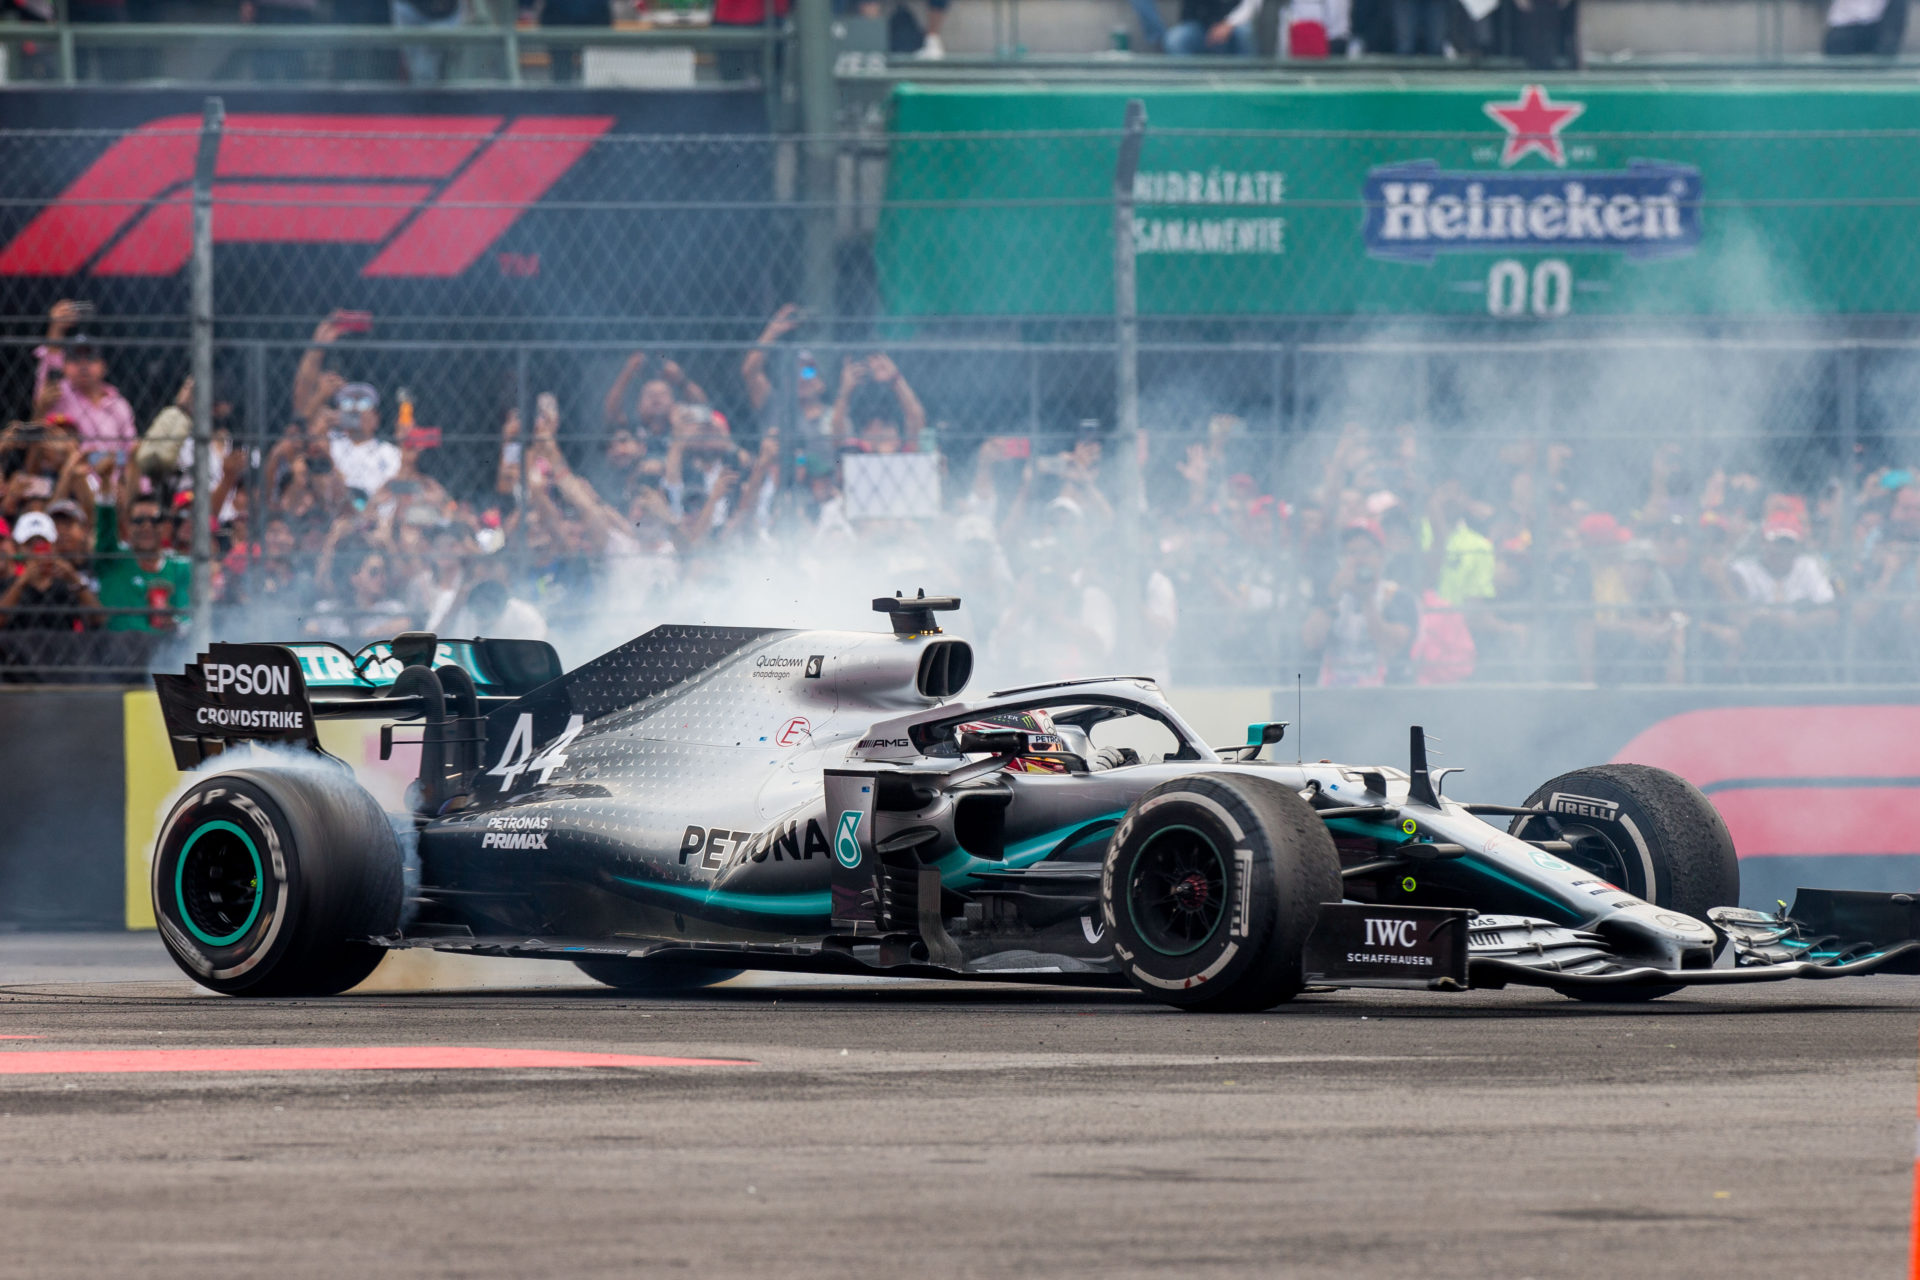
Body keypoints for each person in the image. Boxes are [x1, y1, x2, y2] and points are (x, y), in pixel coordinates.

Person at [1302, 521, 1417, 687]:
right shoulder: (1331, 595)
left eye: (1366, 552)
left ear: (1381, 557)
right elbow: (1310, 641)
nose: (1359, 559)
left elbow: (1393, 648)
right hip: (1332, 693)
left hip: (1382, 694)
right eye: (1351, 552)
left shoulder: (1397, 596)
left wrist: (1366, 599)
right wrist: (1333, 595)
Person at [32, 304, 135, 458]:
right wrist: (56, 329)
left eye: (90, 357)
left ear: (103, 366)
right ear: (64, 366)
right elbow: (50, 363)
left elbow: (131, 450)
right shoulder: (60, 394)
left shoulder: (118, 404)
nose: (83, 364)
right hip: (71, 470)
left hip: (113, 471)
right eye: (75, 358)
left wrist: (111, 461)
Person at [94, 472, 191, 634]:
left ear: (165, 526)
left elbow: (188, 617)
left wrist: (175, 623)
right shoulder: (112, 559)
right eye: (138, 521)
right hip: (116, 647)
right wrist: (105, 483)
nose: (147, 526)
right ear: (127, 525)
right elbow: (105, 527)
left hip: (166, 647)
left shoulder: (181, 566)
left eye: (154, 520)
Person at [0, 511, 99, 633]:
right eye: (30, 545)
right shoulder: (6, 585)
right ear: (20, 549)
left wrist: (73, 577)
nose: (37, 552)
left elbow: (97, 619)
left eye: (43, 545)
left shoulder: (66, 586)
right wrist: (21, 583)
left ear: (54, 547)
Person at [329, 384, 402, 500]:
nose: (355, 410)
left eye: (364, 404)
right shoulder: (328, 443)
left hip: (378, 509)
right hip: (334, 508)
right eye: (347, 404)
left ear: (376, 417)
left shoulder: (391, 453)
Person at [1163, 0, 1258, 54]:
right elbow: (1188, 14)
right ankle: (1192, 80)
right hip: (1202, 28)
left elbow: (1251, 6)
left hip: (1234, 27)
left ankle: (1245, 79)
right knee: (1176, 39)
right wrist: (1210, 27)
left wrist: (1229, 24)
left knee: (1244, 32)